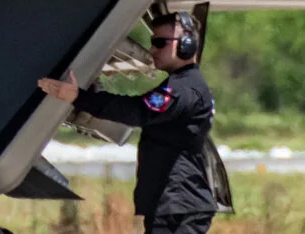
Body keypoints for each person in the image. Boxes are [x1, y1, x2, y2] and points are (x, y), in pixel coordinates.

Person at [37, 12, 217, 234]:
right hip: (175, 203)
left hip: (176, 206)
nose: (152, 50)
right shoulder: (186, 86)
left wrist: (79, 97)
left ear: (186, 46)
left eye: (159, 43)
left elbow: (137, 112)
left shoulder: (182, 90)